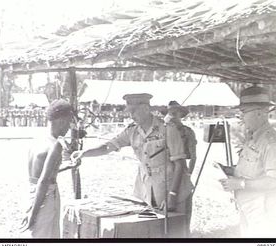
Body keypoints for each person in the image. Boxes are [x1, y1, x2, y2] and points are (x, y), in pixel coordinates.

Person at [71, 93, 193, 237]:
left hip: (174, 192)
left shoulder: (167, 129)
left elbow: (180, 164)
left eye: (134, 111)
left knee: (175, 234)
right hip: (148, 192)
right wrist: (83, 153)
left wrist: (172, 196)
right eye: (129, 111)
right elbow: (108, 146)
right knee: (152, 232)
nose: (131, 115)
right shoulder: (132, 131)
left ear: (146, 109)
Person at [219, 86, 276, 237]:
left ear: (259, 113)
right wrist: (232, 171)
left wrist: (241, 184)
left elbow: (274, 181)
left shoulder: (271, 142)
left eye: (244, 112)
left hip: (264, 212)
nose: (241, 118)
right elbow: (254, 169)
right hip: (248, 208)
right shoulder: (253, 138)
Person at [20, 99, 76, 238]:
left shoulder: (38, 139)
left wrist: (66, 166)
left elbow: (39, 173)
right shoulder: (56, 145)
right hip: (45, 195)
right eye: (69, 121)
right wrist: (34, 212)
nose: (69, 127)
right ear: (62, 120)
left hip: (31, 191)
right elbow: (44, 181)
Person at [164, 101, 197, 175]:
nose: (172, 116)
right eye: (170, 113)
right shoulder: (163, 131)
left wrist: (189, 173)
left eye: (175, 113)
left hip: (181, 169)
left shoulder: (187, 132)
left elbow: (193, 156)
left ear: (180, 114)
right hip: (164, 171)